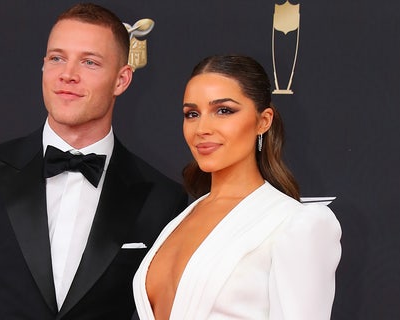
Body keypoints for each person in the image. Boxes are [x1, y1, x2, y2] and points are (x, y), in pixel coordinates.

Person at [0, 3, 188, 319]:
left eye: (89, 62)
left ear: (121, 80)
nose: (67, 75)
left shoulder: (162, 199)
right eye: (57, 58)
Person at [133, 54, 342, 319]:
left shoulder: (296, 223)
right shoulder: (182, 218)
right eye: (192, 114)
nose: (202, 128)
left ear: (263, 121)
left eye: (224, 111)